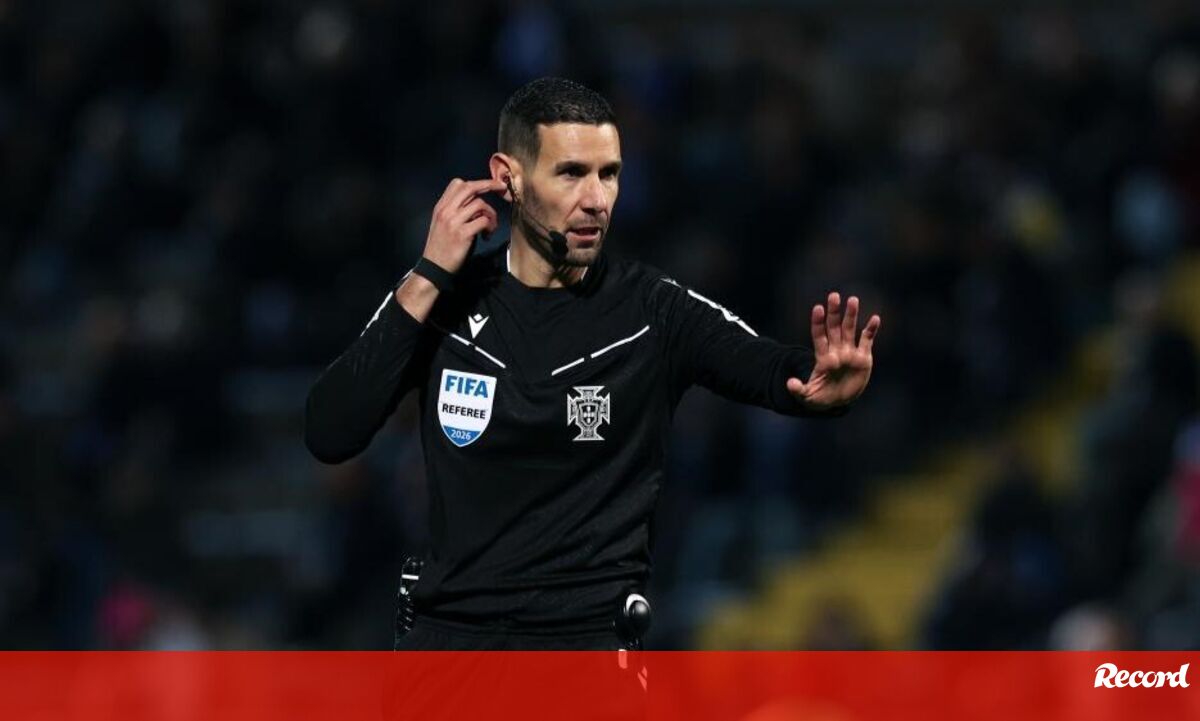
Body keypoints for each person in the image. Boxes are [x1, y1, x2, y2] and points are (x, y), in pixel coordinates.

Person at [305, 77, 882, 651]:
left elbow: (767, 367)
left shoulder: (652, 312)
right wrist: (429, 272)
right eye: (571, 173)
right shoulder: (441, 302)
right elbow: (330, 432)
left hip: (585, 656)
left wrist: (823, 384)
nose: (597, 199)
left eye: (609, 174)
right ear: (508, 178)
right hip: (449, 651)